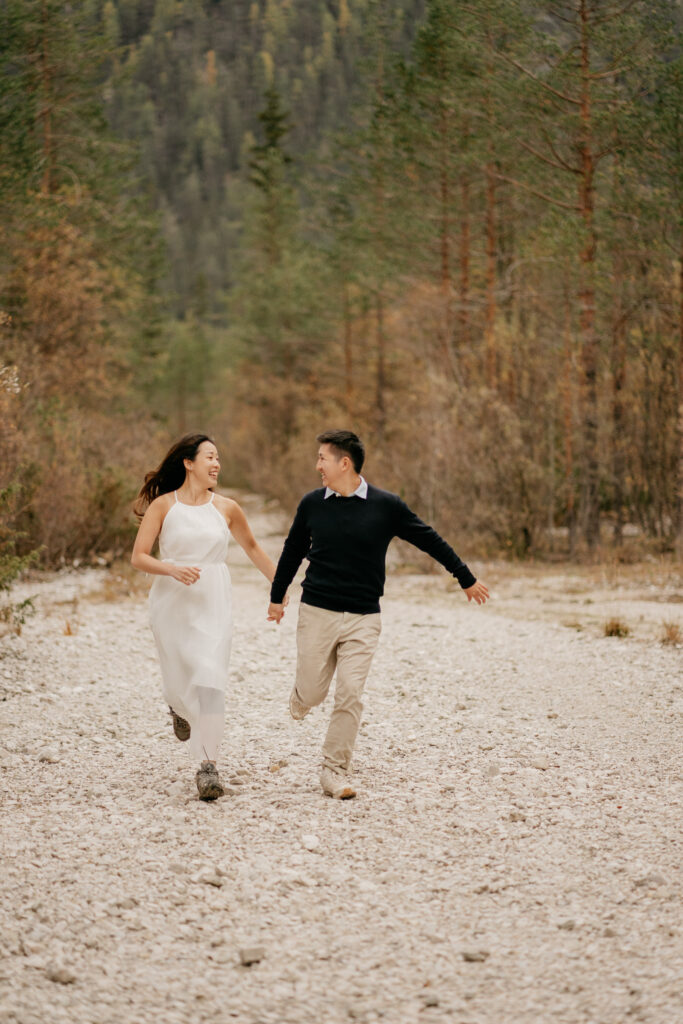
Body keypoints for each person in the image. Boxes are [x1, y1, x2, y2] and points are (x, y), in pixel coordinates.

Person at [267, 429, 489, 800]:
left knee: (350, 693)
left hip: (364, 617)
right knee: (313, 691)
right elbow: (292, 551)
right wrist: (277, 597)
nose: (317, 465)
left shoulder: (386, 506)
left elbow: (428, 538)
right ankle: (303, 696)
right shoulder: (311, 504)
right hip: (317, 611)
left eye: (322, 458)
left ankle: (334, 770)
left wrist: (465, 577)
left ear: (344, 463)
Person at [132, 433, 278, 800]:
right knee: (179, 678)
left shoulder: (227, 507)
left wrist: (280, 587)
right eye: (210, 457)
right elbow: (139, 557)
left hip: (214, 598)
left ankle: (208, 767)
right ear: (188, 462)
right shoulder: (164, 506)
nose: (216, 464)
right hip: (171, 601)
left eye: (219, 458)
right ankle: (178, 708)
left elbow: (253, 547)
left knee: (211, 678)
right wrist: (172, 569)